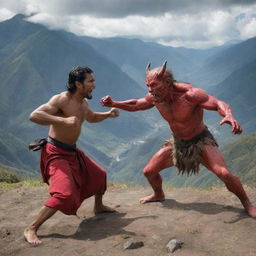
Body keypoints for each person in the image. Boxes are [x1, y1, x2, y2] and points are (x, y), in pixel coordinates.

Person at [101, 61, 256, 218]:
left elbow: (217, 103)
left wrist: (228, 114)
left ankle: (247, 204)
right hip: (178, 143)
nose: (150, 90)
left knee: (224, 174)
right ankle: (159, 194)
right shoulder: (156, 98)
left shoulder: (190, 95)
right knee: (149, 171)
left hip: (200, 141)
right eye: (148, 86)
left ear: (167, 82)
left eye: (153, 85)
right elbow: (136, 104)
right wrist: (114, 103)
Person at [24, 66, 119, 245]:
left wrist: (108, 114)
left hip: (71, 151)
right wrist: (62, 120)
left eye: (94, 81)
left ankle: (98, 207)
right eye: (90, 81)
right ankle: (32, 228)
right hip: (56, 153)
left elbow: (91, 117)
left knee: (99, 175)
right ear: (78, 83)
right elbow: (34, 115)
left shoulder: (83, 103)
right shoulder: (61, 100)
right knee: (63, 195)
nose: (94, 85)